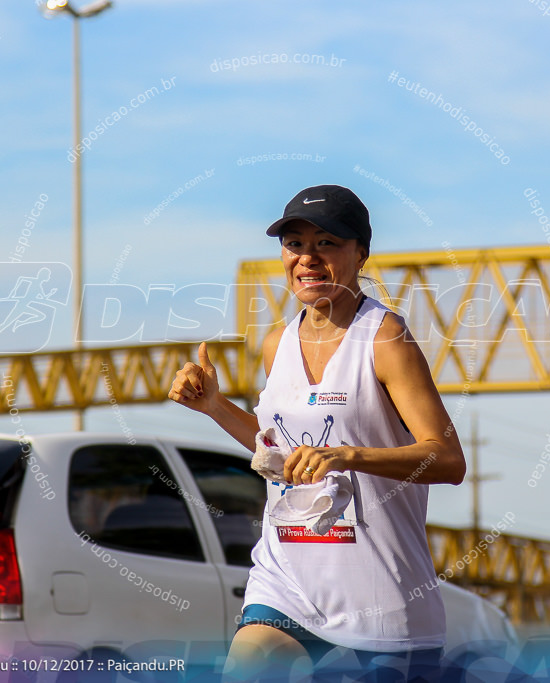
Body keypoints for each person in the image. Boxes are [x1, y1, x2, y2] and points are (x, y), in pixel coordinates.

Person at [168, 184, 465, 681]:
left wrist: (348, 456)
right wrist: (217, 407)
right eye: (294, 243)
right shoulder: (276, 343)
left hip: (381, 596)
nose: (307, 258)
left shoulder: (385, 338)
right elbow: (278, 451)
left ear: (361, 253)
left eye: (326, 242)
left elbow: (448, 460)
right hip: (286, 578)